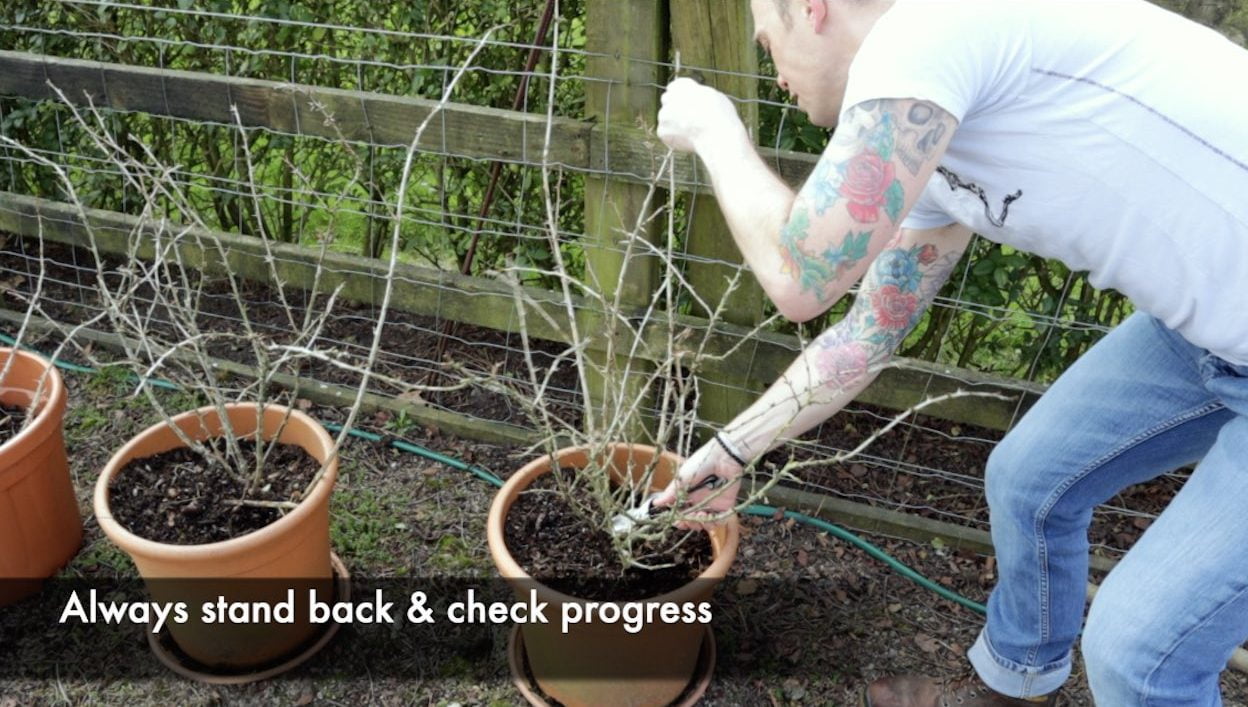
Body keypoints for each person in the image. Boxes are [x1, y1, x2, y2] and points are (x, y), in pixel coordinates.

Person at [651, 0, 1248, 704]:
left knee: (1136, 653)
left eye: (766, 41)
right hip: (1211, 333)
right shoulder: (935, 131)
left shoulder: (929, 27)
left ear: (811, 8)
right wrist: (731, 448)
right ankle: (1013, 686)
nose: (772, 71)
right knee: (1030, 482)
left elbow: (802, 275)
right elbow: (863, 337)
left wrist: (713, 128)